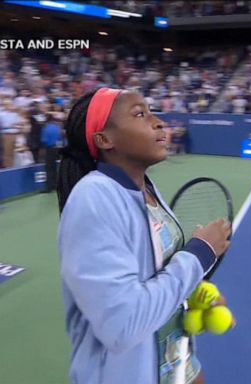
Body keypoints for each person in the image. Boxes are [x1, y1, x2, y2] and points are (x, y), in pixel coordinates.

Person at [57, 87, 231, 384]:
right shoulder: (93, 199)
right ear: (104, 139)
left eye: (152, 110)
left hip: (177, 361)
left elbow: (156, 273)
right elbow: (123, 324)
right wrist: (199, 254)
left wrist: (196, 293)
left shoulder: (146, 188)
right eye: (140, 114)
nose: (159, 121)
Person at [41, 113, 62, 192]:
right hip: (57, 149)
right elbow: (61, 139)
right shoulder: (57, 128)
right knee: (55, 168)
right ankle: (55, 185)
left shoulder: (46, 129)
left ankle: (49, 187)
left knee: (49, 168)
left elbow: (44, 140)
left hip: (49, 149)